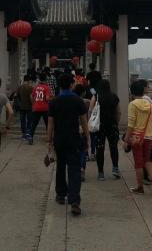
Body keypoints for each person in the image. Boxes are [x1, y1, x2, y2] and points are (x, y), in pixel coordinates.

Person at [48, 74, 90, 216]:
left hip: (59, 139)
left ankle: (60, 194)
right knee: (74, 169)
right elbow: (84, 121)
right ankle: (74, 201)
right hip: (73, 139)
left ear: (60, 85)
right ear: (72, 85)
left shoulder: (54, 101)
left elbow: (51, 123)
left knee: (60, 166)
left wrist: (49, 141)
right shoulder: (78, 100)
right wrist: (87, 137)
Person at [124, 80, 152, 195]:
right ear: (143, 90)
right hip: (149, 137)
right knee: (148, 161)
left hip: (137, 138)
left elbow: (131, 124)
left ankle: (140, 187)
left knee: (138, 163)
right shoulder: (149, 104)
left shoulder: (132, 104)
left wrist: (126, 139)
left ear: (132, 92)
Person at [89, 79, 121, 180]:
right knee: (113, 147)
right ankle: (115, 168)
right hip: (112, 125)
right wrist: (116, 123)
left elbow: (90, 110)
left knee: (100, 148)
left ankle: (100, 173)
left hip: (100, 126)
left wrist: (92, 122)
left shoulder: (96, 96)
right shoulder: (114, 97)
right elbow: (119, 112)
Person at [85, 63, 102, 160]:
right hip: (97, 111)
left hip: (88, 108)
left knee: (87, 132)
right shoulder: (100, 90)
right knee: (94, 133)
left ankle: (86, 153)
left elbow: (87, 83)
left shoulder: (88, 87)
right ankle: (93, 152)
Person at [73, 84, 89, 182]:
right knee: (83, 150)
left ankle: (76, 169)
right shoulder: (87, 102)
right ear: (83, 92)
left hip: (74, 129)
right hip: (83, 129)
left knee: (75, 151)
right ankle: (82, 168)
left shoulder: (72, 101)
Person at [30, 72, 51, 144]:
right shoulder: (47, 87)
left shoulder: (35, 87)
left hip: (36, 107)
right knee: (47, 124)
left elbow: (32, 97)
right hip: (45, 108)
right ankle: (48, 138)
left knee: (34, 123)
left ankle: (30, 137)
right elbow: (47, 98)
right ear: (45, 79)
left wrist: (33, 104)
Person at [16, 75, 33, 141]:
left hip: (21, 106)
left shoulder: (19, 87)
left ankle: (23, 134)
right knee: (29, 120)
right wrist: (32, 104)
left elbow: (17, 96)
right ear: (29, 80)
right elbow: (31, 97)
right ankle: (28, 133)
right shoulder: (30, 87)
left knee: (22, 120)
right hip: (29, 106)